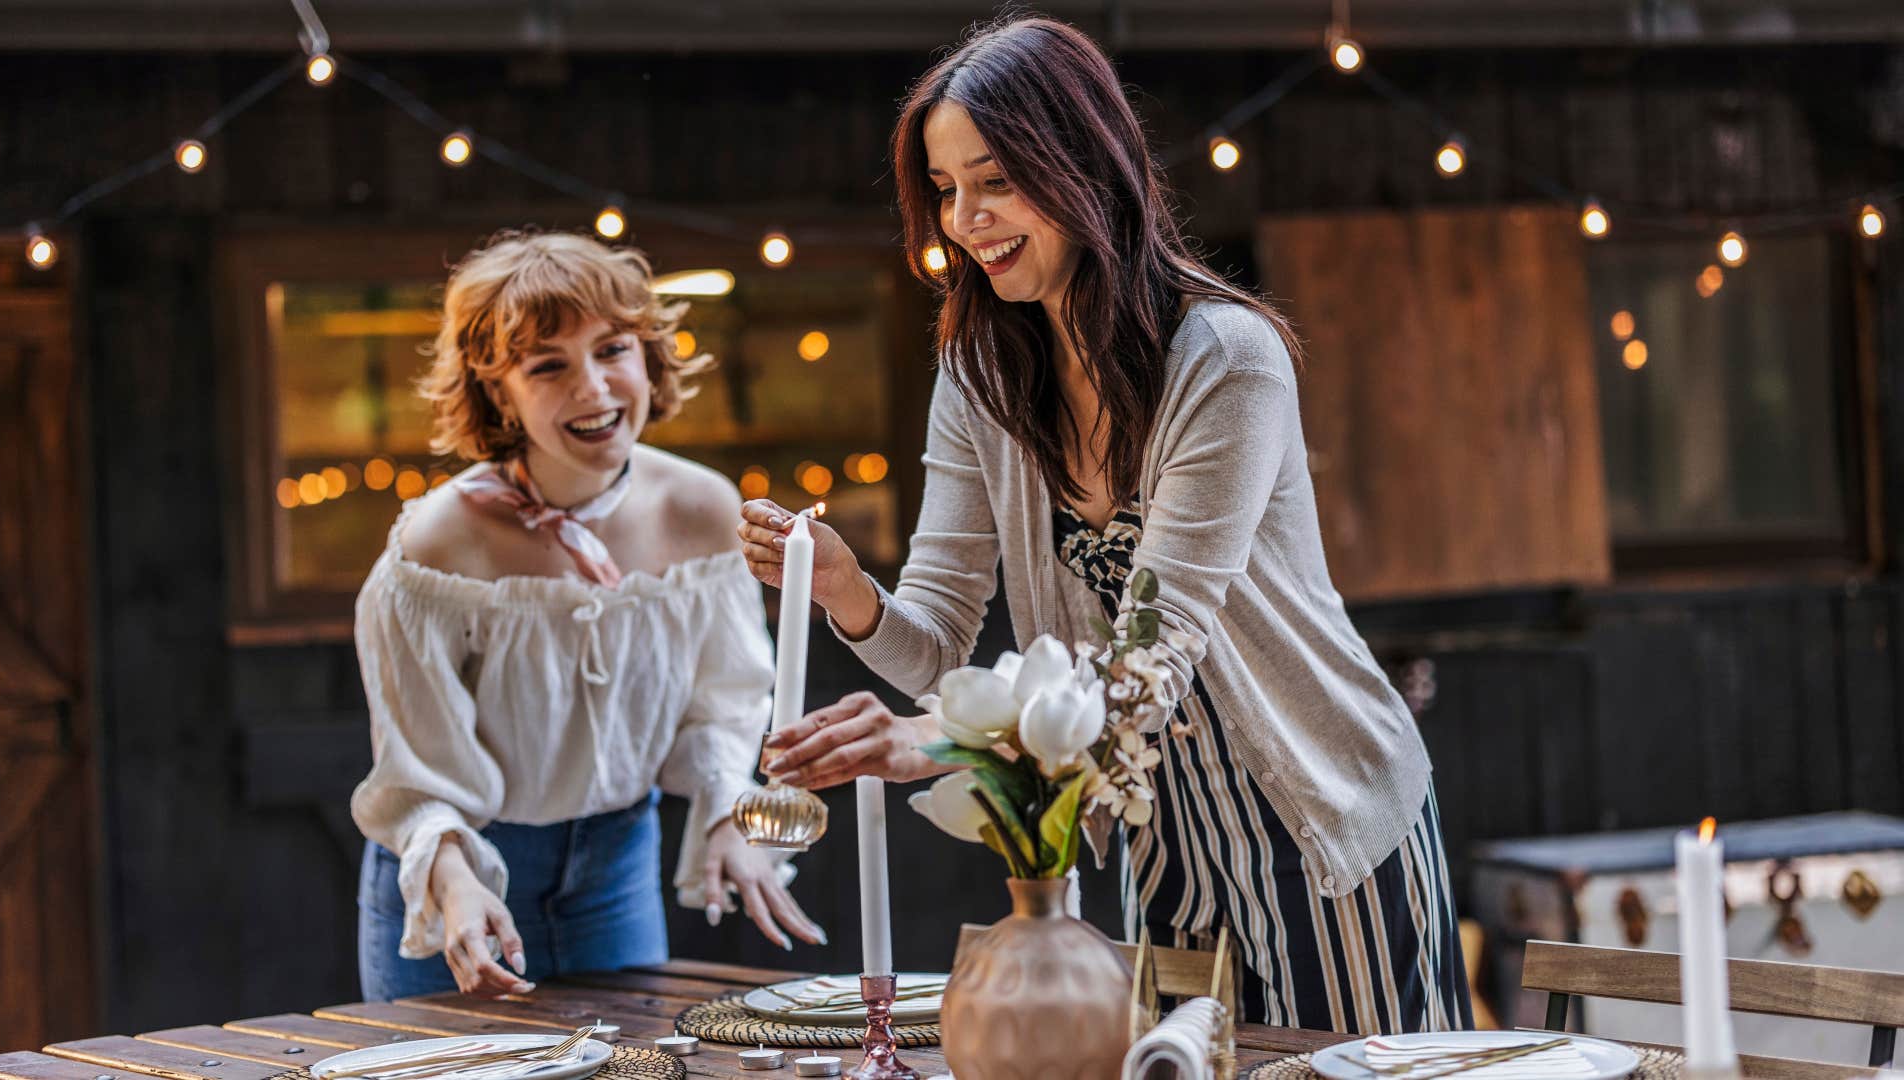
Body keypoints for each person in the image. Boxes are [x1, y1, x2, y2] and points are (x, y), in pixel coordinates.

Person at [738, 18, 1471, 1033]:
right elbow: (939, 644)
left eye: (995, 181)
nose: (965, 220)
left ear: (1083, 165)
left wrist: (929, 744)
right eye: (945, 190)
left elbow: (1149, 657)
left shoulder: (1225, 359)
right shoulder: (980, 376)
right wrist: (846, 592)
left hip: (1326, 820)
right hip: (1156, 832)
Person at [353, 230, 821, 1001]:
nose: (594, 388)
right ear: (497, 389)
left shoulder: (703, 510)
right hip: (461, 877)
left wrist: (724, 813)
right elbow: (414, 771)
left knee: (632, 1058)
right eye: (548, 366)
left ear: (648, 356)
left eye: (612, 350)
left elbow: (723, 703)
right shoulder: (434, 547)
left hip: (617, 870)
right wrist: (455, 881)